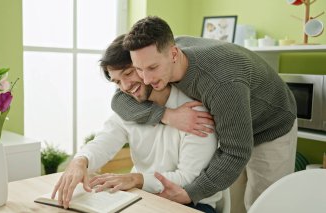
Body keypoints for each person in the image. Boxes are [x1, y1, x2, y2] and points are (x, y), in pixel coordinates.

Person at [111, 16, 298, 211]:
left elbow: (236, 151)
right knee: (235, 205)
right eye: (139, 70)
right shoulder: (161, 53)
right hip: (233, 119)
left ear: (174, 54)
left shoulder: (221, 84)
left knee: (263, 205)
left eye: (152, 68)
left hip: (270, 122)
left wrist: (190, 194)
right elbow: (119, 101)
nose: (146, 80)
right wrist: (166, 115)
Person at [52, 34, 221, 213]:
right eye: (117, 81)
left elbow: (189, 179)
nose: (124, 87)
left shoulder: (194, 111)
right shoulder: (129, 108)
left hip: (193, 203)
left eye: (128, 73)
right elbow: (104, 141)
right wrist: (80, 161)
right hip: (144, 196)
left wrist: (137, 179)